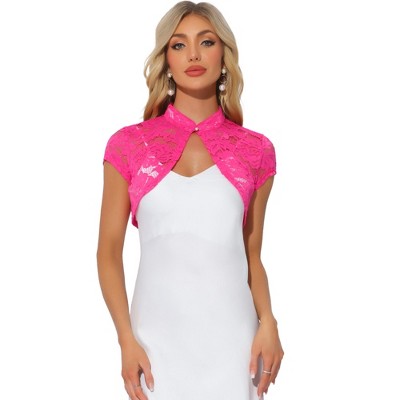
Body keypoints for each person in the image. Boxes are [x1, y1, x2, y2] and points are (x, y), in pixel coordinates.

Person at [96, 2, 284, 399]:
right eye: (179, 45)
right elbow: (108, 252)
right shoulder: (129, 145)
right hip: (152, 341)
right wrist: (125, 338)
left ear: (224, 55)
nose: (193, 55)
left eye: (206, 42)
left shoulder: (255, 150)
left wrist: (269, 322)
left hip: (234, 342)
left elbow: (252, 255)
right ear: (166, 59)